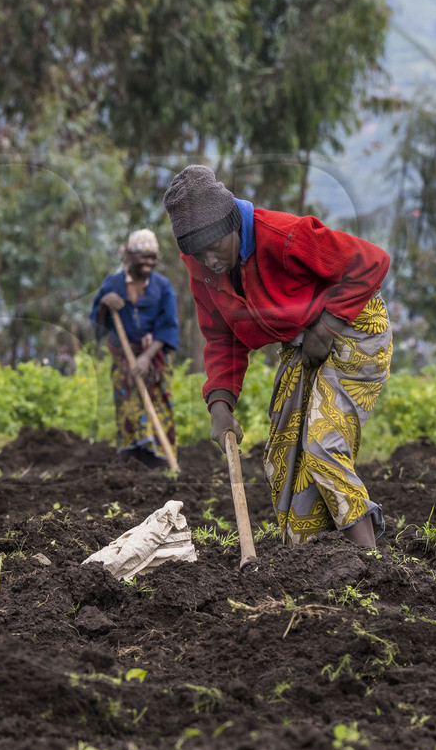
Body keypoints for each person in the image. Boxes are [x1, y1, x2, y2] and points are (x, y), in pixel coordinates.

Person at [163, 165, 392, 547]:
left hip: (355, 324)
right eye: (197, 252)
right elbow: (222, 334)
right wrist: (220, 403)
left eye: (215, 246)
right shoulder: (201, 265)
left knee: (322, 444)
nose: (210, 260)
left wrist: (329, 324)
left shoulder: (285, 235)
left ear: (233, 224)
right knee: (284, 456)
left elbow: (371, 261)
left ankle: (371, 565)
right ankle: (315, 557)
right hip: (304, 340)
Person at [90, 229, 181, 467]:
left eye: (153, 257)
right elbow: (97, 325)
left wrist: (146, 358)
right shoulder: (112, 284)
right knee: (127, 407)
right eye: (144, 257)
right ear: (129, 255)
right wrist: (103, 304)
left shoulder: (162, 287)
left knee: (160, 405)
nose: (150, 262)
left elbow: (168, 326)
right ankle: (131, 459)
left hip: (155, 359)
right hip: (124, 359)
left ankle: (160, 461)